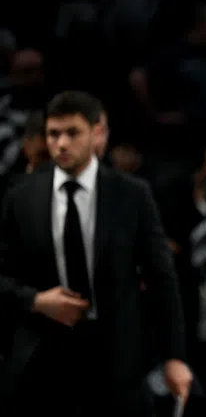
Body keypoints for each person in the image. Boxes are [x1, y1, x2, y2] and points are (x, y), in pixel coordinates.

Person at [0, 91, 192, 416]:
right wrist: (37, 300)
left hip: (117, 358)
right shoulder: (21, 196)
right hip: (43, 358)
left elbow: (162, 278)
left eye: (72, 133)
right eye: (53, 134)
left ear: (97, 133)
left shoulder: (131, 194)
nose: (61, 144)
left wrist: (174, 356)